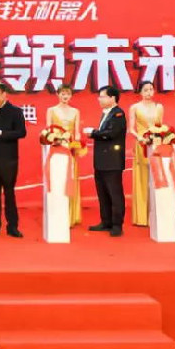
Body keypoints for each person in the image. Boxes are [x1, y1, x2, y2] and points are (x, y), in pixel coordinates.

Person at [0, 82, 27, 238]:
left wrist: (1, 133)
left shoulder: (15, 111)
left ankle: (12, 227)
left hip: (9, 160)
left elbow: (21, 132)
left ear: (4, 94)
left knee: (9, 193)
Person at [86, 85, 127, 237]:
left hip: (112, 161)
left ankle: (117, 225)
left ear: (112, 98)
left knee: (115, 194)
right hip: (101, 161)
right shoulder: (106, 113)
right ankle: (106, 221)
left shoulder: (118, 114)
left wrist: (93, 133)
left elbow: (111, 133)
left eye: (102, 96)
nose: (99, 99)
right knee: (103, 193)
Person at [46, 83, 82, 226]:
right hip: (57, 148)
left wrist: (76, 142)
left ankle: (70, 216)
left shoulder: (75, 111)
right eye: (62, 94)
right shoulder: (51, 110)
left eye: (68, 94)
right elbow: (48, 130)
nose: (65, 96)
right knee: (57, 180)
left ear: (71, 95)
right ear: (58, 94)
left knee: (70, 178)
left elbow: (77, 132)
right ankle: (57, 214)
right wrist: (56, 139)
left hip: (70, 149)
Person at [129, 81, 164, 227]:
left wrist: (160, 137)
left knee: (156, 177)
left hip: (156, 145)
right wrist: (140, 137)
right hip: (141, 144)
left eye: (151, 89)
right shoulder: (135, 107)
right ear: (140, 92)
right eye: (145, 90)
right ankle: (142, 216)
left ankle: (156, 214)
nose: (149, 92)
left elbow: (160, 127)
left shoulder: (159, 107)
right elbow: (131, 128)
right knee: (143, 177)